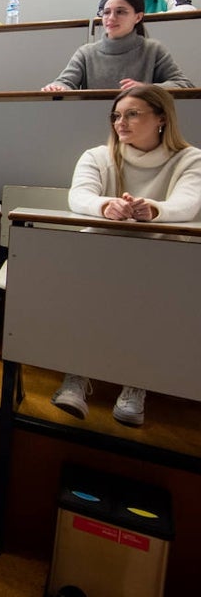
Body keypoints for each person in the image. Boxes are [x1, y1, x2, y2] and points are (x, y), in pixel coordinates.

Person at [50, 85, 200, 427]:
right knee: (84, 289)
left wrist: (152, 209)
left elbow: (188, 204)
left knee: (154, 296)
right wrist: (106, 205)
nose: (121, 122)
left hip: (162, 258)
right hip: (104, 253)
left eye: (132, 114)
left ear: (162, 118)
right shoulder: (98, 156)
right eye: (116, 115)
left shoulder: (191, 159)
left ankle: (135, 383)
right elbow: (79, 196)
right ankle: (76, 375)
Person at [42, 0, 192, 91]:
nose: (111, 18)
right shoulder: (86, 52)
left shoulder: (153, 49)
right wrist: (57, 87)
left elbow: (184, 85)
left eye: (120, 12)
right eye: (106, 12)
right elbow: (65, 82)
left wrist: (146, 89)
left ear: (138, 17)